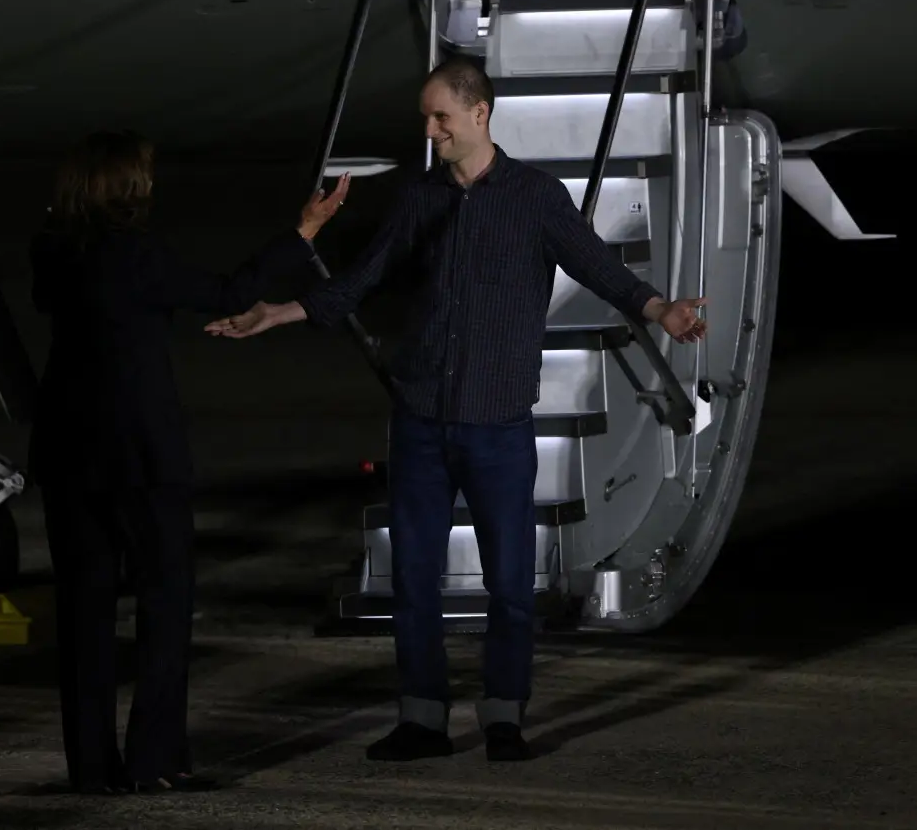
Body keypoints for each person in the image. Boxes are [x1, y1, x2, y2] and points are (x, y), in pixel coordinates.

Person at [204, 58, 706, 763]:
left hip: (498, 424)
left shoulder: (535, 197)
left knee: (508, 584)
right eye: (426, 118)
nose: (430, 130)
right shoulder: (420, 198)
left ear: (479, 114)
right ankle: (422, 719)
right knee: (414, 578)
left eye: (440, 117)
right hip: (420, 420)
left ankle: (504, 716)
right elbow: (362, 279)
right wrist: (280, 312)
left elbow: (599, 267)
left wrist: (662, 310)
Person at [28, 129, 349, 794]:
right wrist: (303, 231)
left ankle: (91, 766)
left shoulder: (52, 253)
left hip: (68, 454)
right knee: (165, 601)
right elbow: (230, 291)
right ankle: (155, 760)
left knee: (85, 614)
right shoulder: (136, 254)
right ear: (125, 189)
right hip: (141, 454)